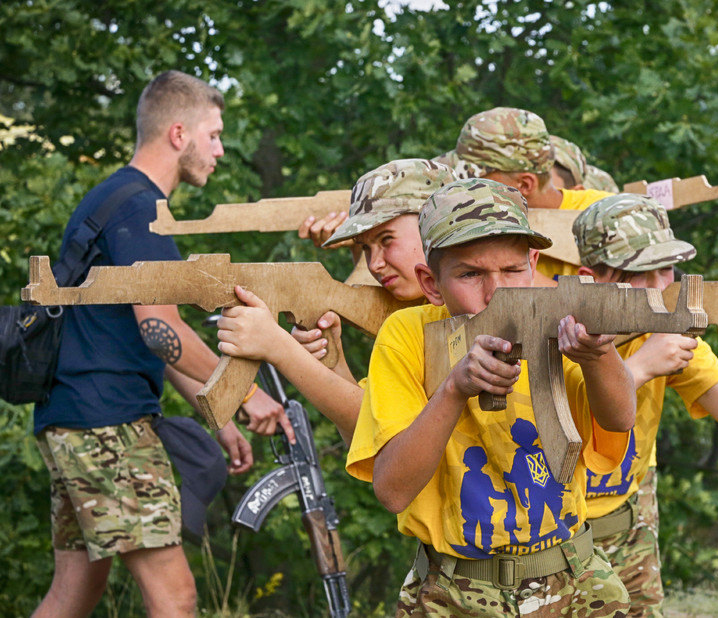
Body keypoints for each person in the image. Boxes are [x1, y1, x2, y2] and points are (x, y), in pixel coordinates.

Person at [31, 70, 289, 618]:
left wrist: (217, 412)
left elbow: (145, 336)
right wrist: (245, 394)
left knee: (73, 594)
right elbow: (160, 328)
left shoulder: (116, 200)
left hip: (72, 414)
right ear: (179, 134)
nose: (219, 150)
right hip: (108, 422)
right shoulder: (140, 209)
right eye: (213, 135)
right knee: (176, 597)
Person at [346, 178, 636, 616]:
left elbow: (619, 418)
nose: (495, 291)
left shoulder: (562, 321)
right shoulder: (407, 338)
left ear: (533, 262)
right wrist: (454, 389)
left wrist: (598, 355)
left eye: (512, 271)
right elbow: (392, 490)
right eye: (470, 274)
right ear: (431, 282)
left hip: (573, 577)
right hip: (455, 591)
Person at [571, 193, 718, 615]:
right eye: (640, 273)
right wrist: (641, 366)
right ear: (588, 279)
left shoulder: (669, 334)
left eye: (666, 269)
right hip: (550, 538)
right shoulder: (556, 335)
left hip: (628, 528)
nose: (659, 289)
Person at [216, 159, 456, 443]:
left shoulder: (469, 311)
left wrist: (277, 347)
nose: (375, 264)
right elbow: (366, 436)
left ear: (435, 226)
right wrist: (333, 360)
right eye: (365, 247)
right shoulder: (411, 323)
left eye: (387, 240)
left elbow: (388, 433)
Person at [452, 107, 615, 281]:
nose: (467, 188)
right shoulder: (465, 217)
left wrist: (515, 275)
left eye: (478, 179)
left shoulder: (611, 215)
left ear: (525, 184)